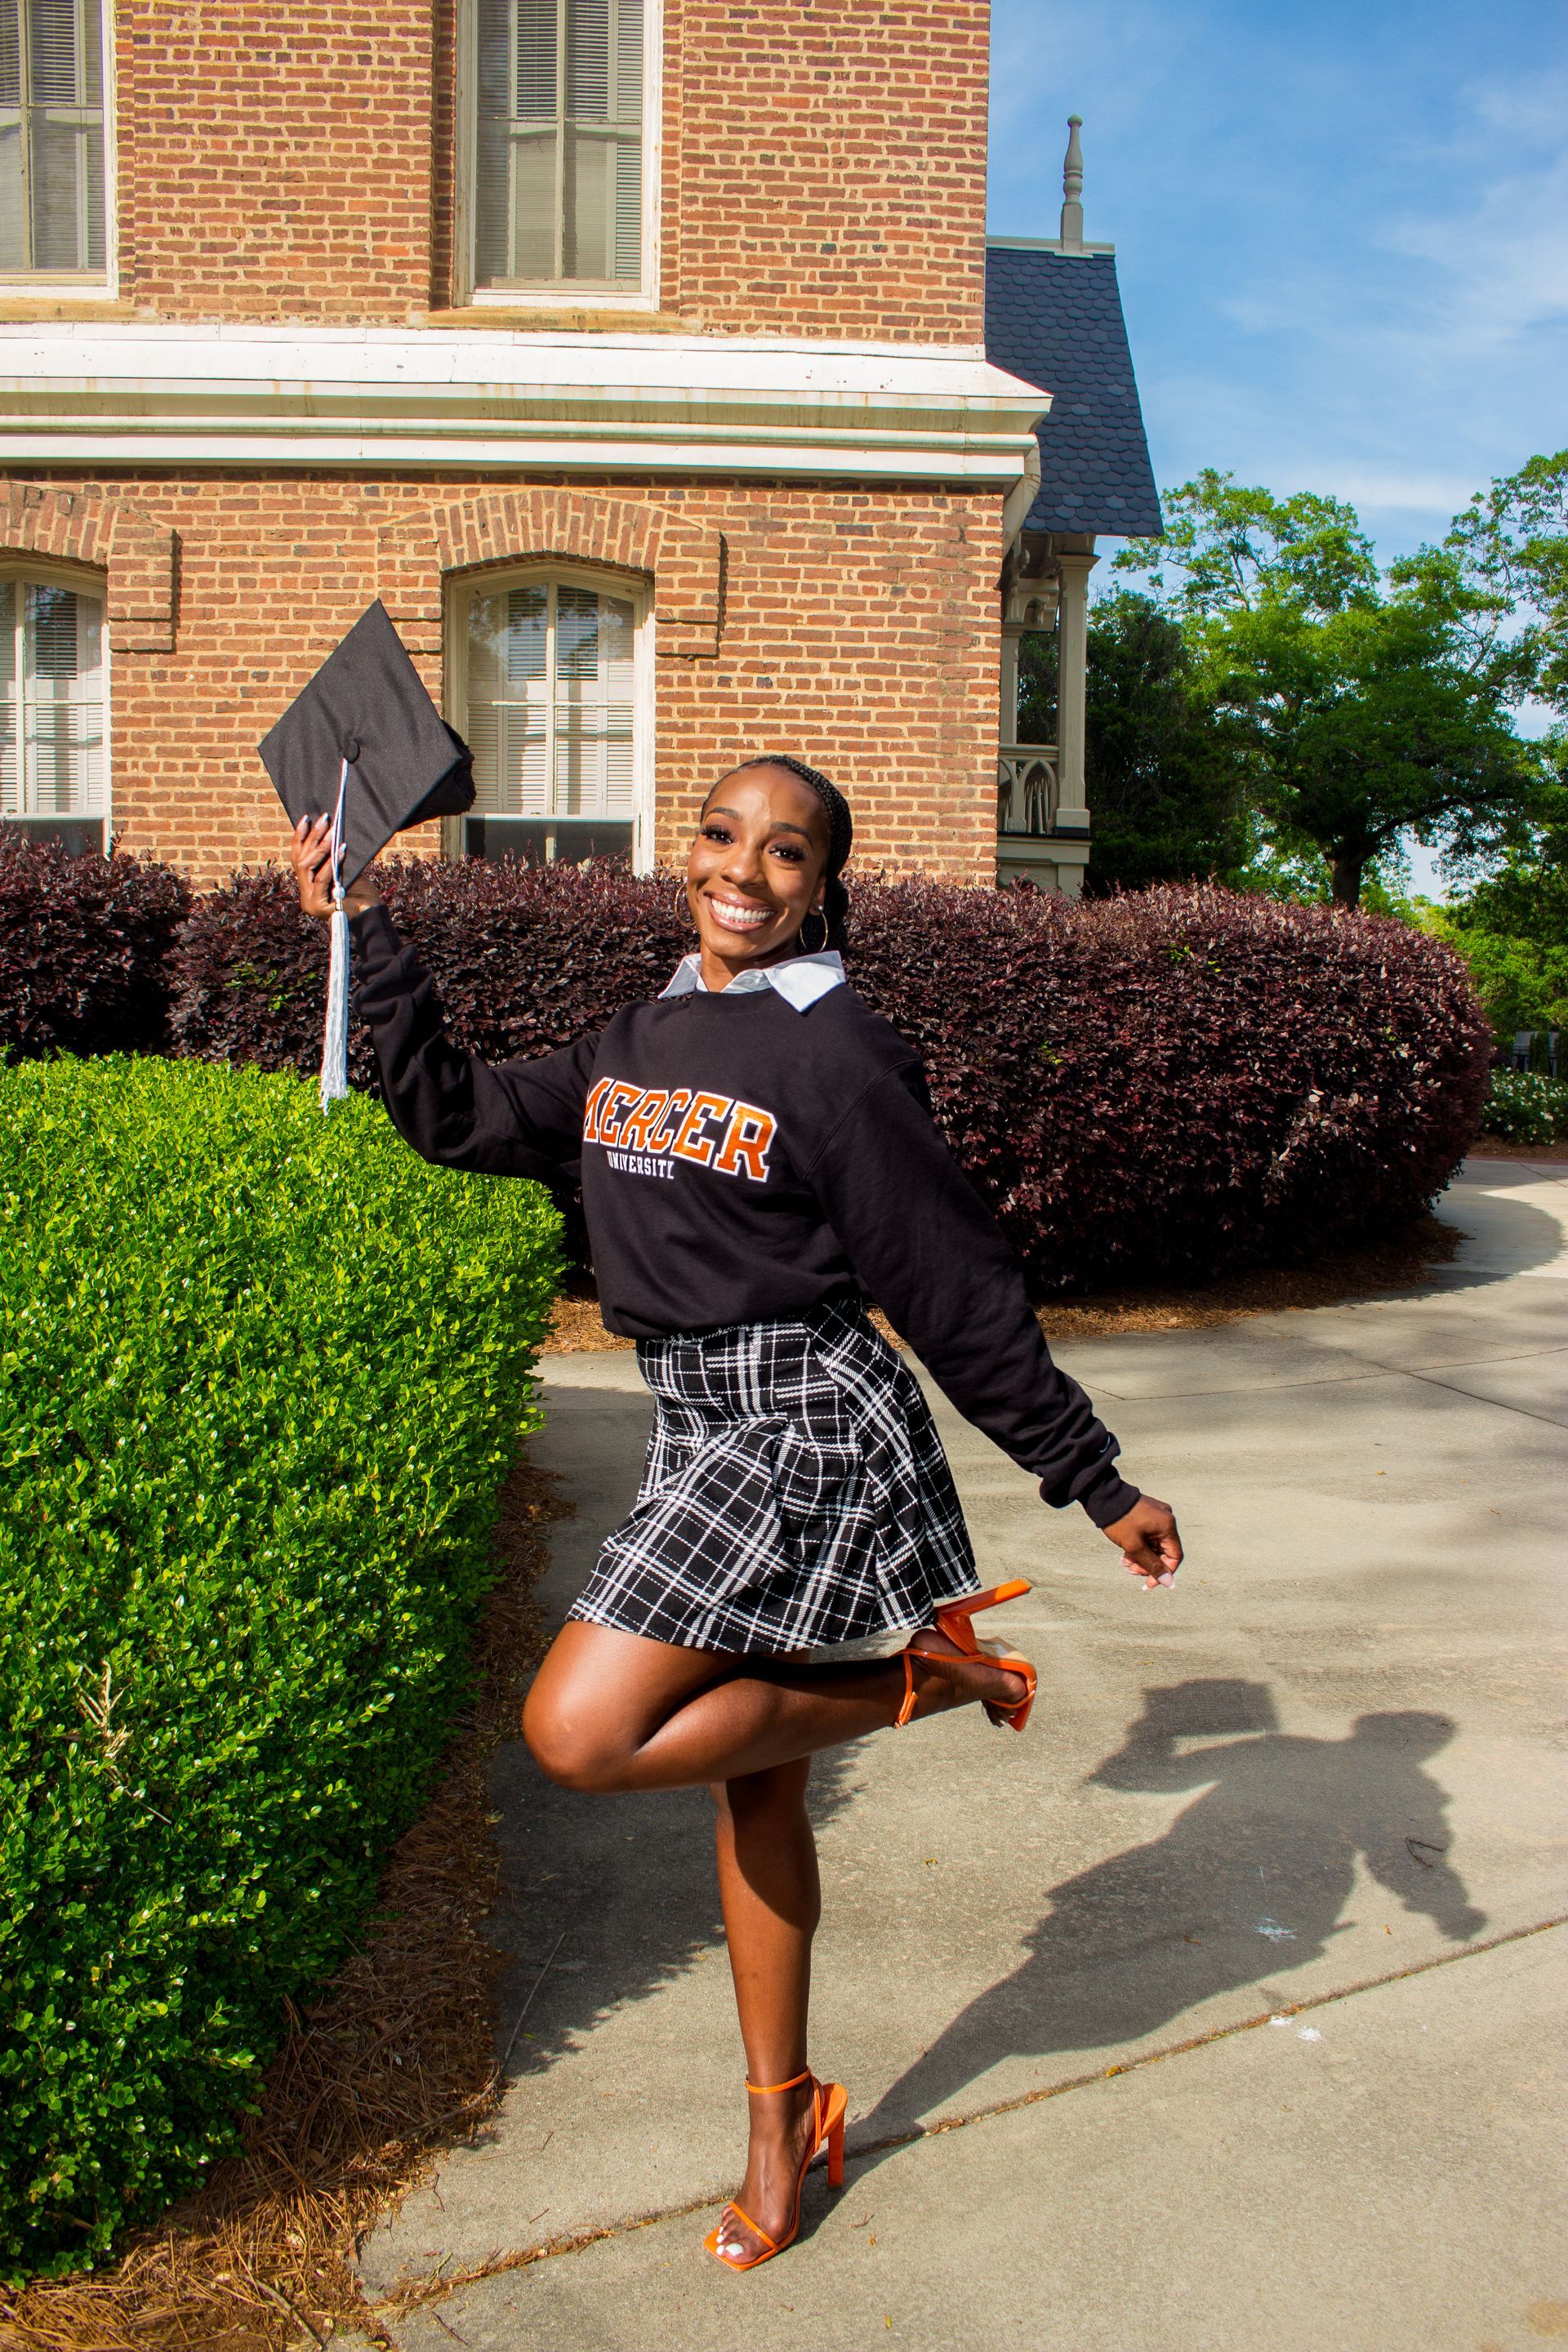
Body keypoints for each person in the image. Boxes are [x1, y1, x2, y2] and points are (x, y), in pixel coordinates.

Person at [289, 755, 1182, 2272]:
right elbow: (458, 1118)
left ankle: (919, 1677)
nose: (743, 871)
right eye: (721, 837)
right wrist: (366, 933)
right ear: (683, 849)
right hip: (701, 1421)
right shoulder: (646, 1031)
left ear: (825, 883)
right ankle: (785, 2124)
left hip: (805, 1426)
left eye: (785, 852)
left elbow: (952, 1290)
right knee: (755, 1782)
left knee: (580, 1730)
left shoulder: (836, 1054)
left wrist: (1091, 1478)